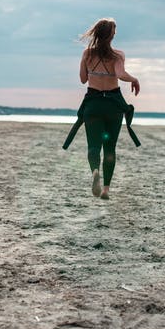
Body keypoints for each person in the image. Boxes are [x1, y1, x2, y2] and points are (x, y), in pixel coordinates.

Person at [65, 17, 140, 200]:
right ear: (111, 35)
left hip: (93, 104)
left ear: (96, 34)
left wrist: (92, 71)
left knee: (93, 146)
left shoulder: (87, 54)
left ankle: (95, 171)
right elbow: (121, 74)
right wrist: (135, 79)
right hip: (113, 105)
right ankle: (106, 189)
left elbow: (83, 79)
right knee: (109, 148)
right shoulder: (118, 55)